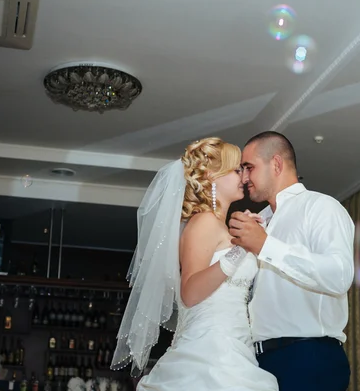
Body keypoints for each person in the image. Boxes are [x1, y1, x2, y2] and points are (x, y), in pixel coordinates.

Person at [111, 137, 278, 391]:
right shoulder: (203, 222)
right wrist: (241, 250)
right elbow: (189, 292)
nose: (244, 177)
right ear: (212, 175)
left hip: (235, 344)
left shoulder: (219, 225)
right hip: (210, 349)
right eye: (236, 170)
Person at [229, 131, 355, 391]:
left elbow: (339, 275)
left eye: (249, 167)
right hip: (256, 362)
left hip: (307, 357)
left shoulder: (321, 207)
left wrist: (265, 245)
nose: (244, 177)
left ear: (276, 164)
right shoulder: (260, 220)